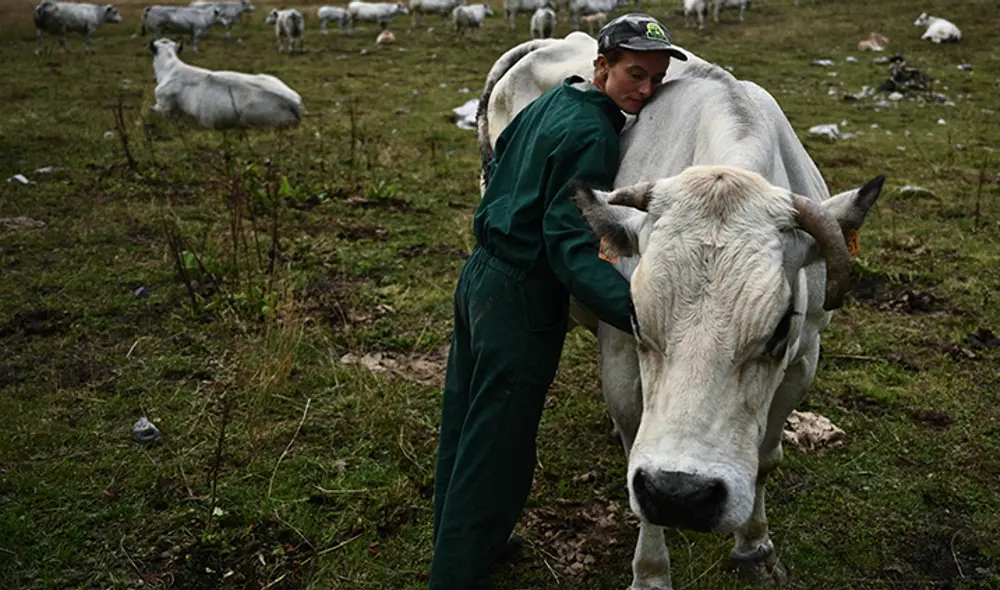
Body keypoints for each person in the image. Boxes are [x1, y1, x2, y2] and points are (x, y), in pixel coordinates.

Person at [430, 14, 687, 590]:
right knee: (499, 443)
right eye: (633, 74)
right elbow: (569, 242)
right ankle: (457, 574)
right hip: (522, 296)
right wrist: (635, 312)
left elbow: (498, 166)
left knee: (466, 422)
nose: (644, 91)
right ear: (601, 66)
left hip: (479, 277)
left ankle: (473, 539)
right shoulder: (595, 135)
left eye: (656, 79)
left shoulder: (551, 101)